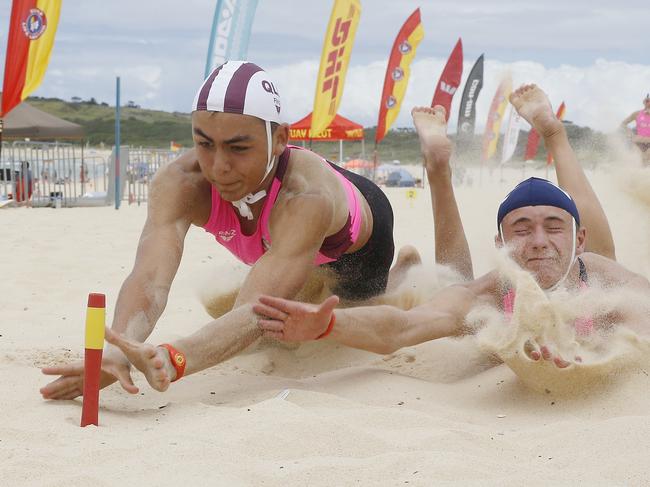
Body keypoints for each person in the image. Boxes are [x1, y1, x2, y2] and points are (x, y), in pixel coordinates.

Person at [40, 61, 408, 400]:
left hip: (357, 245)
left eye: (238, 147)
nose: (219, 167)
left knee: (349, 317)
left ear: (280, 139)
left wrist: (173, 359)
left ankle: (403, 270)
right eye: (205, 144)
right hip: (280, 241)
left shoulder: (306, 196)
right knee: (273, 325)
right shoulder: (181, 182)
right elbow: (150, 277)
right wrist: (118, 350)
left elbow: (254, 311)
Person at [253, 85, 650, 369]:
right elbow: (404, 328)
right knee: (454, 289)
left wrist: (601, 354)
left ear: (576, 239)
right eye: (522, 229)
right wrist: (328, 325)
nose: (539, 241)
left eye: (553, 227)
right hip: (493, 310)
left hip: (590, 268)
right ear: (501, 243)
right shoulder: (491, 292)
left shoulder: (605, 279)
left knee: (596, 256)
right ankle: (437, 169)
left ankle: (553, 135)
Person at [620, 94, 650, 165]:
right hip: (637, 142)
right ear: (644, 102)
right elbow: (623, 124)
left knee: (647, 161)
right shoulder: (637, 114)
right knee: (640, 163)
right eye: (648, 101)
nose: (649, 103)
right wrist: (630, 134)